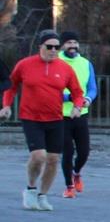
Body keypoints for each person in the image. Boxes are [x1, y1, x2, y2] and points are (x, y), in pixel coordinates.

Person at [2, 29, 85, 211]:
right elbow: (11, 86)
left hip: (55, 118)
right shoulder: (25, 65)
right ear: (40, 46)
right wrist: (6, 105)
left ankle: (43, 195)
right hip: (31, 117)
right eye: (49, 47)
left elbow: (78, 92)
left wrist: (77, 107)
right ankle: (31, 189)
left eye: (57, 47)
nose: (53, 50)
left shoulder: (65, 68)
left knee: (53, 159)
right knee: (39, 156)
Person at [56, 31, 97, 198]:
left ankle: (76, 172)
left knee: (84, 151)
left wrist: (87, 99)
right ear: (62, 45)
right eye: (68, 43)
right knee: (67, 151)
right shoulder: (56, 62)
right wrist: (69, 98)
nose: (72, 46)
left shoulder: (85, 63)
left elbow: (92, 88)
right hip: (61, 115)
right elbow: (50, 91)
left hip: (81, 113)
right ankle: (69, 186)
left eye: (74, 43)